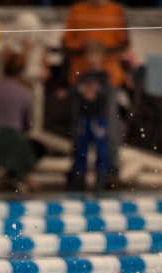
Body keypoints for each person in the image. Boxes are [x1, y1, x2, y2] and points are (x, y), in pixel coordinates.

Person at [63, 0, 129, 189]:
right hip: (80, 79)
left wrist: (99, 50)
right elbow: (66, 43)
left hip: (108, 81)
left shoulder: (115, 10)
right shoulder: (77, 9)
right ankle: (78, 173)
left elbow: (123, 43)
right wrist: (87, 48)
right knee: (79, 132)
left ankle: (110, 172)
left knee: (109, 131)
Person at [0, 51, 38, 193]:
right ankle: (18, 177)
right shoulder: (24, 92)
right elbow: (28, 125)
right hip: (11, 141)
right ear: (22, 71)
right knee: (32, 146)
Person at [67, 40, 112, 191]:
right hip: (84, 117)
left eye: (95, 55)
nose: (92, 58)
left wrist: (94, 93)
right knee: (81, 148)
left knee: (101, 149)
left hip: (98, 117)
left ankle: (101, 178)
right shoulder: (83, 76)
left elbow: (106, 93)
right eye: (89, 55)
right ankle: (79, 179)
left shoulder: (104, 76)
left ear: (101, 56)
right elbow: (74, 91)